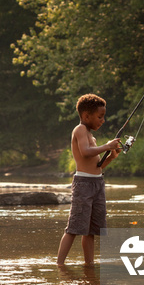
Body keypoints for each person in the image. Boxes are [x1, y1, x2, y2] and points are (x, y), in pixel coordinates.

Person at [57, 94, 121, 266]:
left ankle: (89, 265)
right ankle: (60, 265)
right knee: (74, 227)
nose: (103, 120)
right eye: (100, 117)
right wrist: (107, 146)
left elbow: (97, 166)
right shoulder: (79, 130)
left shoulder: (92, 136)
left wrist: (111, 156)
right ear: (86, 116)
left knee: (91, 230)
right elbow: (85, 152)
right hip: (83, 184)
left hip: (97, 183)